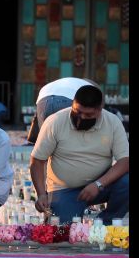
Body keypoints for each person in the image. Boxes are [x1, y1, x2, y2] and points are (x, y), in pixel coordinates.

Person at [29, 85, 129, 222]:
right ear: (73, 104)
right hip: (64, 189)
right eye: (77, 112)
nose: (80, 118)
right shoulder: (55, 121)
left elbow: (125, 160)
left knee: (126, 182)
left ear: (100, 110)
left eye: (88, 115)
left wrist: (98, 184)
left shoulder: (112, 122)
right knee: (62, 232)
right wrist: (41, 194)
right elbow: (37, 160)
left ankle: (106, 223)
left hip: (101, 185)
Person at [26, 77, 92, 144]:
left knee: (46, 139)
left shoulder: (72, 82)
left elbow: (36, 120)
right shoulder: (92, 89)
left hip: (43, 99)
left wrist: (33, 137)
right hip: (68, 98)